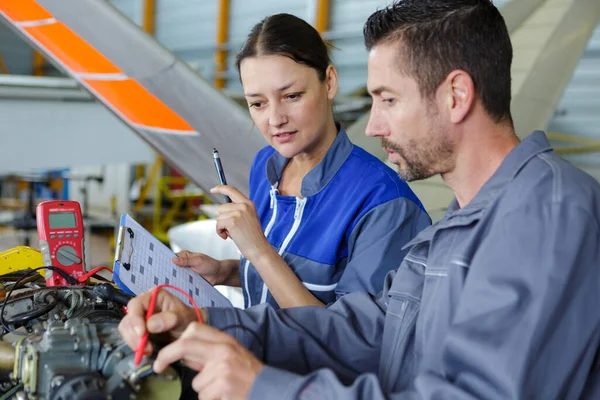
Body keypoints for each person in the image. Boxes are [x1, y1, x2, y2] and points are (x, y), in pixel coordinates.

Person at [119, 1, 600, 398]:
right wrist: (202, 322)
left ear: (456, 95)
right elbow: (367, 332)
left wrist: (264, 386)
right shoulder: (453, 228)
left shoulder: (545, 214)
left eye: (388, 100)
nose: (373, 126)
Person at [172, 13, 430, 309]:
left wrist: (257, 249)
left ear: (329, 82)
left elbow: (352, 341)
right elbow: (287, 275)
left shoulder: (386, 205)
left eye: (292, 96)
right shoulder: (265, 167)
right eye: (257, 103)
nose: (275, 120)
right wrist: (228, 271)